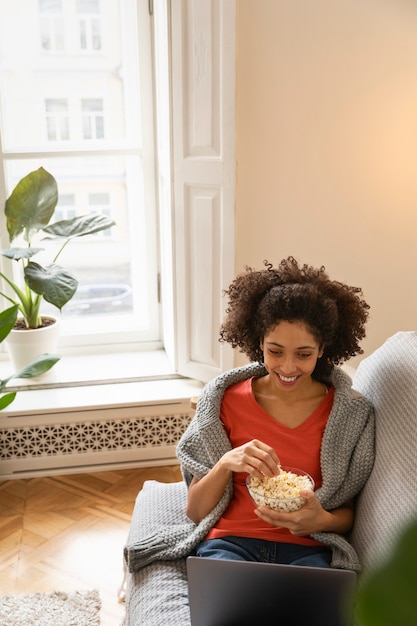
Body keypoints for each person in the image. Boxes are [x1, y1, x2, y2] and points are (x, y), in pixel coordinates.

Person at [177, 257, 375, 571]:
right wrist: (227, 463)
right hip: (229, 543)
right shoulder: (225, 402)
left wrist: (319, 519)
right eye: (275, 351)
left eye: (304, 354)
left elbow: (346, 511)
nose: (287, 367)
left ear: (323, 349)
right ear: (259, 343)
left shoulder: (347, 414)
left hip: (307, 550)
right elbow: (196, 511)